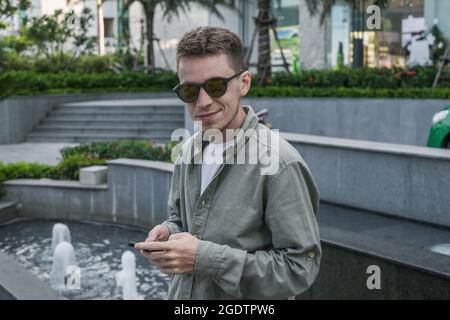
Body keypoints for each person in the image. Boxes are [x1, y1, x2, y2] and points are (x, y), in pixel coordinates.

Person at [135, 26, 321, 300]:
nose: (203, 101)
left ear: (244, 82)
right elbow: (182, 220)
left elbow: (299, 268)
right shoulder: (188, 151)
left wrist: (204, 258)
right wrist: (168, 232)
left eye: (215, 86)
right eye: (189, 90)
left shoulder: (279, 163)